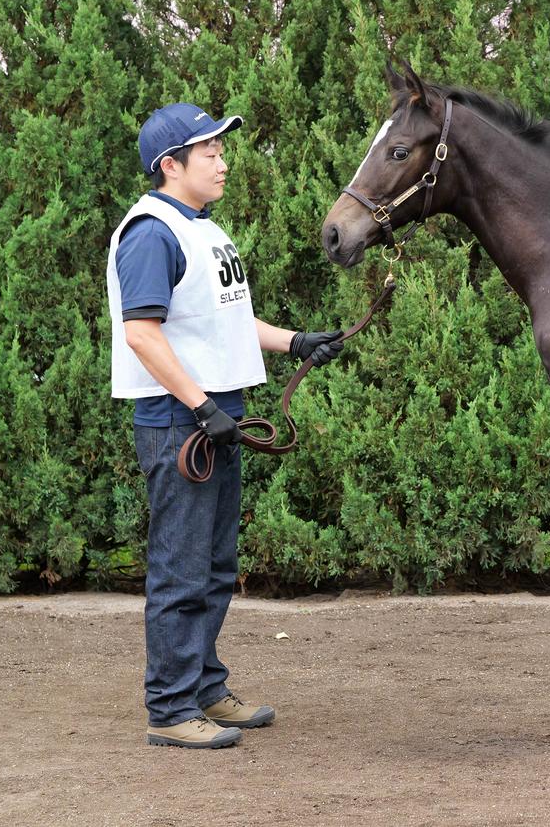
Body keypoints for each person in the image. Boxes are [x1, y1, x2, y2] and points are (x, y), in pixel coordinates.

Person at [106, 103, 345, 748]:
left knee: (213, 566)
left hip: (214, 420)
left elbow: (226, 322)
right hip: (182, 423)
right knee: (180, 567)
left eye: (219, 150)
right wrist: (200, 405)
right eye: (208, 152)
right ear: (170, 164)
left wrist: (295, 342)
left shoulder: (202, 230)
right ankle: (171, 707)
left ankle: (205, 686)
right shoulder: (151, 233)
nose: (223, 161)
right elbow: (141, 334)